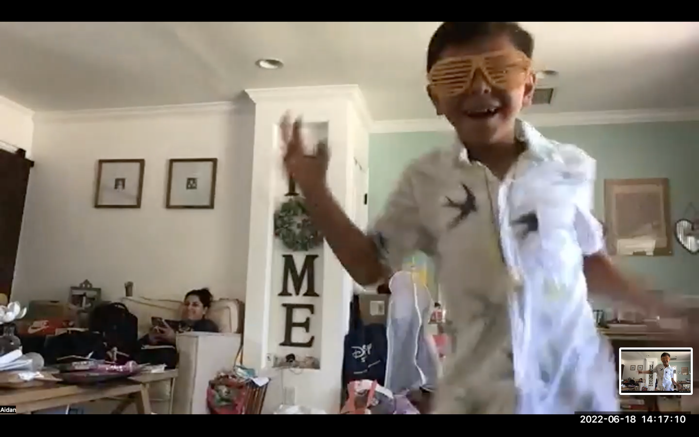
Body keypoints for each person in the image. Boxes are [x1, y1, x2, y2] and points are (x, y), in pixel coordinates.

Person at [280, 22, 680, 414]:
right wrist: (314, 189)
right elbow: (369, 266)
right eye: (456, 75)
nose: (479, 86)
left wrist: (662, 310)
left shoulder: (571, 167)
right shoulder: (424, 182)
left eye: (500, 69)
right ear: (435, 97)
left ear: (528, 86)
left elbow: (589, 260)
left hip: (577, 393)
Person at [141, 288, 219, 346]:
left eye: (195, 305)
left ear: (204, 310)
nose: (189, 308)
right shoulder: (170, 325)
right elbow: (138, 345)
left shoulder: (207, 326)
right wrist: (150, 339)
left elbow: (201, 349)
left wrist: (175, 339)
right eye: (186, 304)